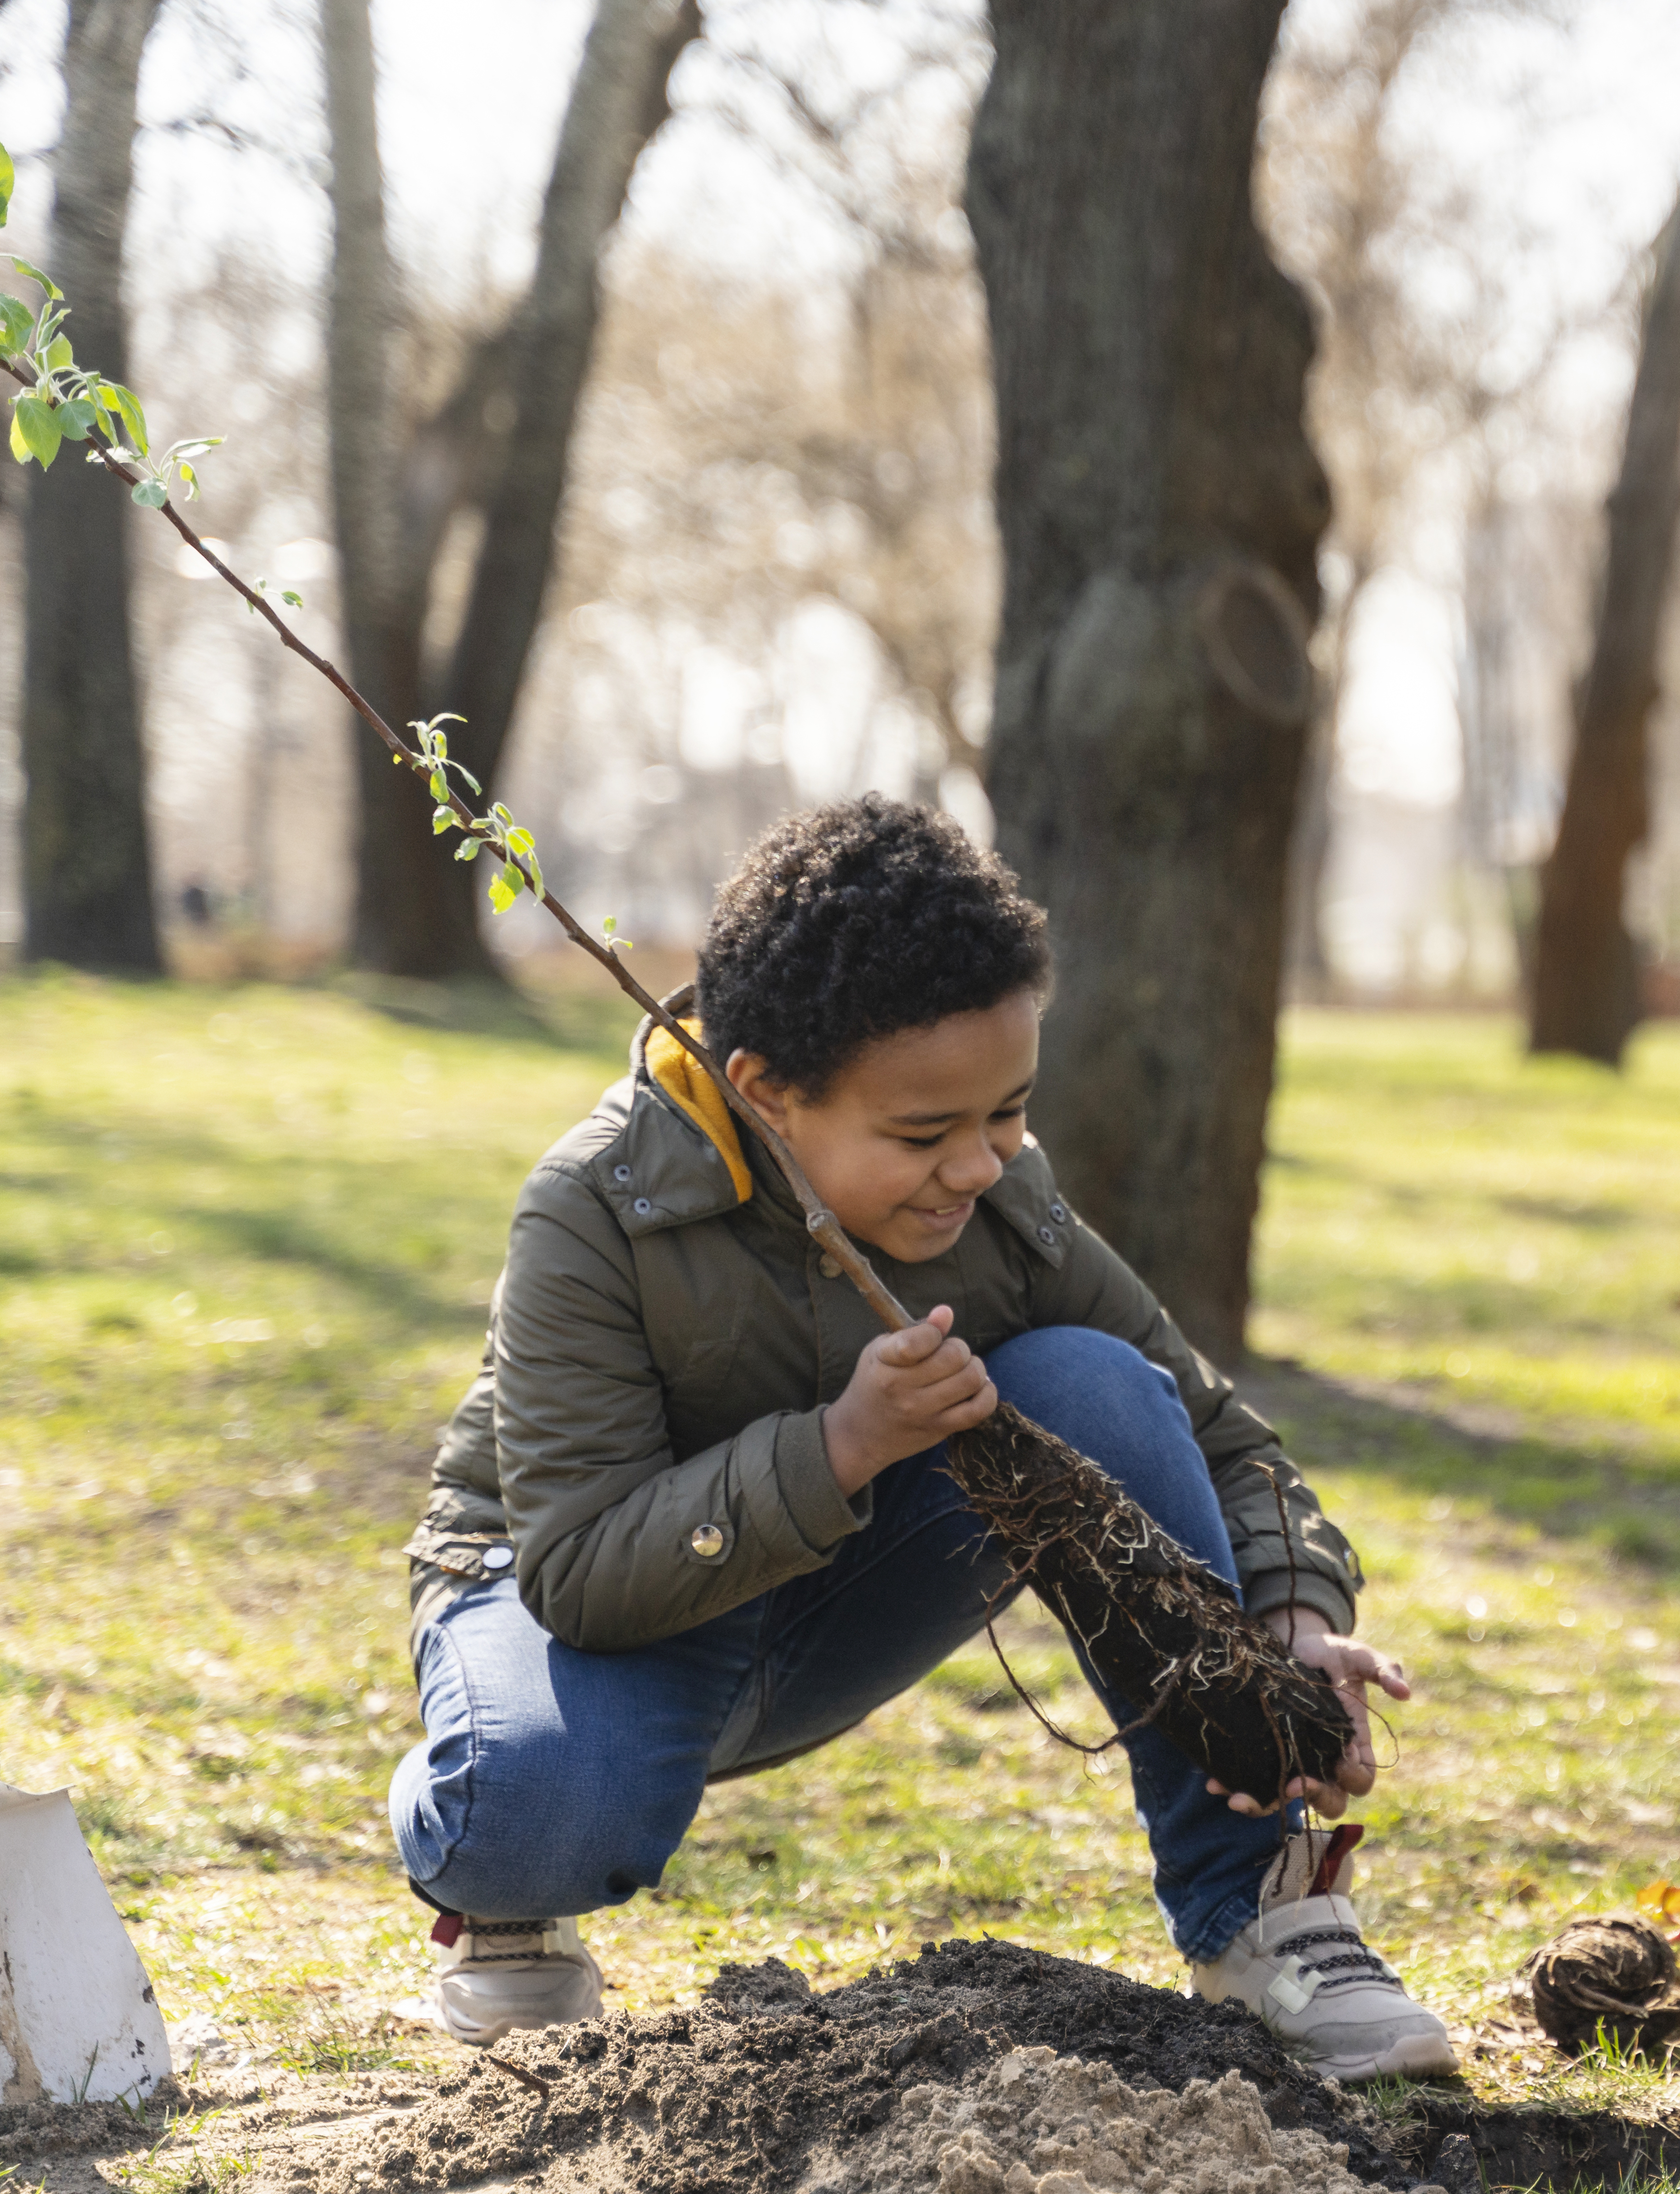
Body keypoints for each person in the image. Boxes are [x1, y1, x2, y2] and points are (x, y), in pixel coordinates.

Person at [384, 797, 1456, 2080]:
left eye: (1007, 1112)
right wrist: (840, 1442)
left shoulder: (999, 1196)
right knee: (538, 1809)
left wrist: (1285, 1618)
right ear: (767, 1093)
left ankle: (1263, 1908)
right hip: (592, 1611)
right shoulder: (593, 1214)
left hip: (834, 1600)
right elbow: (578, 1574)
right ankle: (497, 1837)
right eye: (923, 1134)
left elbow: (1219, 1438)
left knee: (1090, 1380)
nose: (981, 1166)